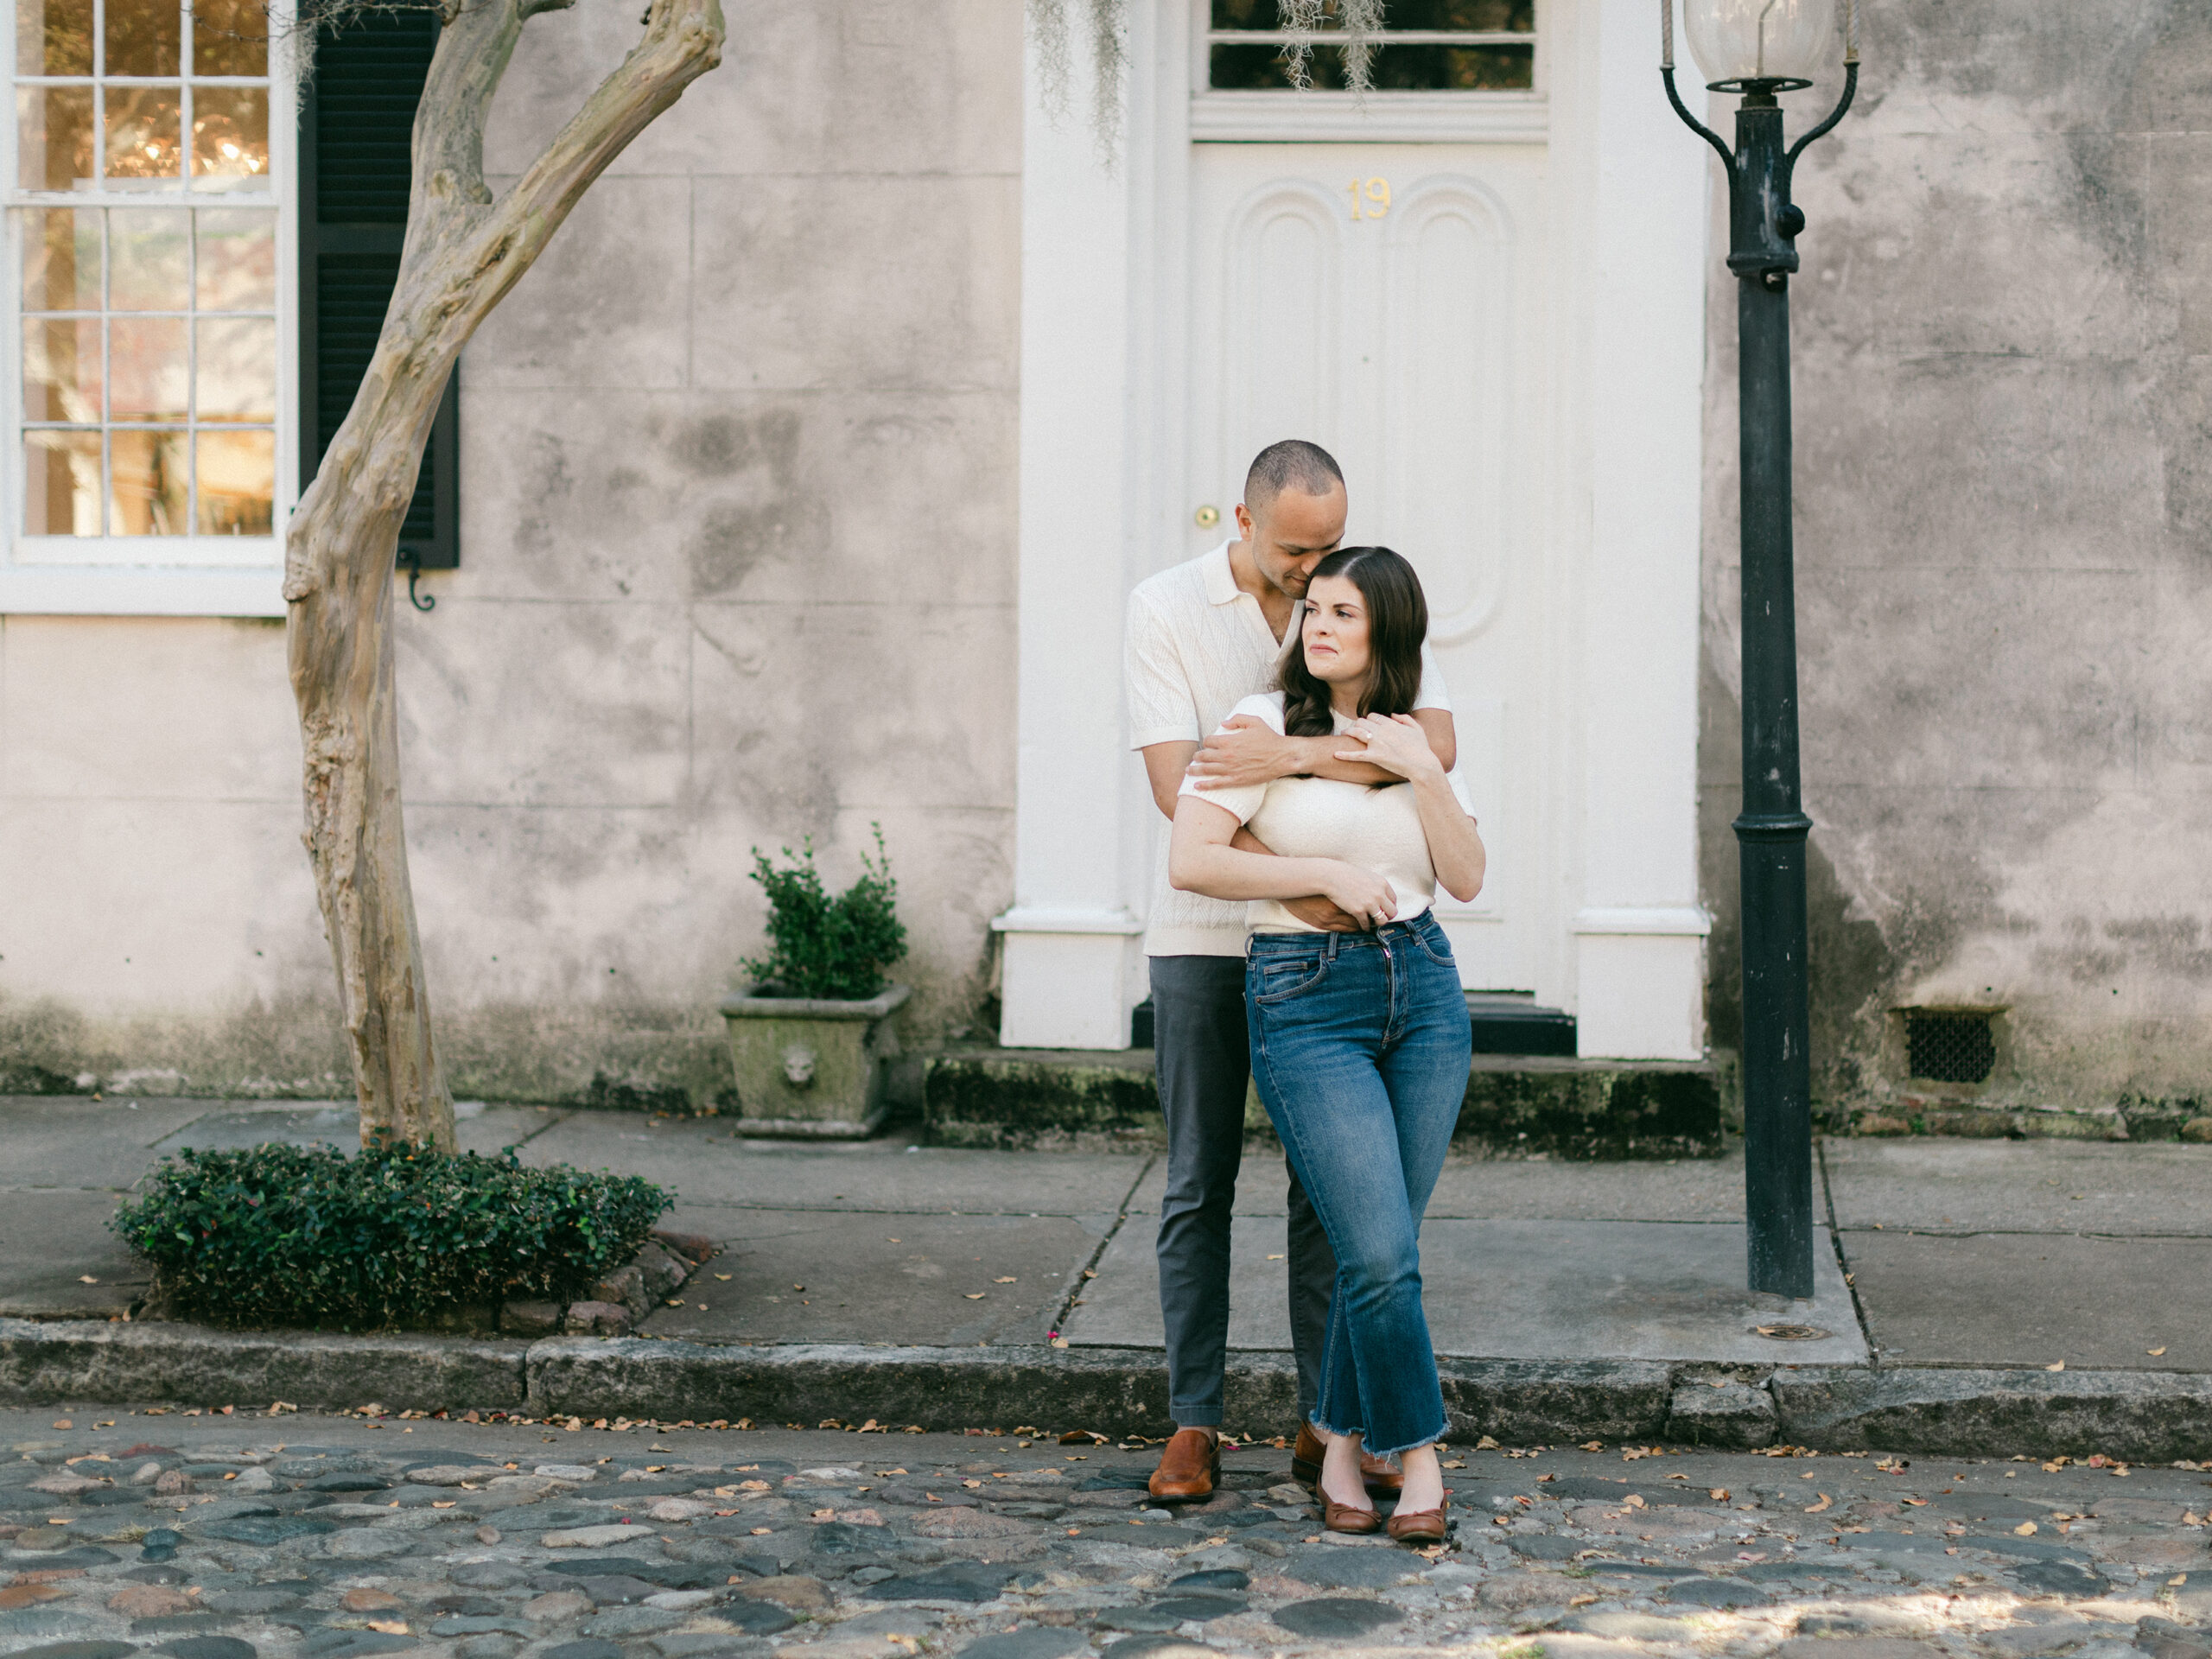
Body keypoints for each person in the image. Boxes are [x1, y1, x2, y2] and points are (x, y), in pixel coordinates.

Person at [1123, 441, 1457, 1503]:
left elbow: (1428, 742)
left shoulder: (1352, 597)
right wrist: (1302, 887)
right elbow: (1183, 789)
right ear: (1241, 519)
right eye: (1295, 552)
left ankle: (1331, 1423)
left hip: (1337, 951)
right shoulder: (1165, 608)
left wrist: (1298, 758)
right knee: (1196, 1182)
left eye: (1327, 550)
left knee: (1336, 1202)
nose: (1313, 574)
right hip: (1204, 929)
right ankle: (1194, 1419)